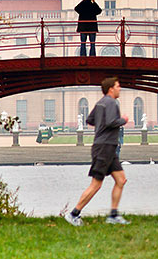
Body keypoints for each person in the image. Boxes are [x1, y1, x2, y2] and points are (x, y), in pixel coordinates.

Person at [65, 76, 130, 226]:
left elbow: (90, 120)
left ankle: (113, 216)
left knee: (121, 180)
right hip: (104, 147)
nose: (120, 89)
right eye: (118, 86)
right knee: (96, 184)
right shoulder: (111, 102)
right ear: (111, 89)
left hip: (107, 147)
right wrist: (123, 120)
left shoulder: (100, 103)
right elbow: (111, 122)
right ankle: (74, 214)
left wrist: (101, 123)